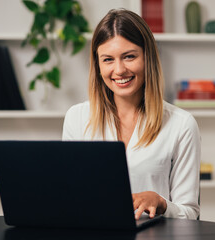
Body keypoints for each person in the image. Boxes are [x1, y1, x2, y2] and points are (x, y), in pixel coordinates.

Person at [62, 9, 201, 220]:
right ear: (98, 65)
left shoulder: (182, 125)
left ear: (148, 58)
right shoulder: (77, 118)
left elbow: (190, 214)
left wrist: (161, 203)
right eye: (108, 59)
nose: (119, 70)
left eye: (129, 57)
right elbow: (68, 198)